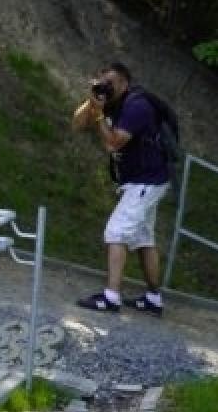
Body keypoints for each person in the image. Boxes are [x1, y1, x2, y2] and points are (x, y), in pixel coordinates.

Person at [71, 61, 170, 316]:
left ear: (124, 84)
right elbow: (77, 124)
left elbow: (113, 143)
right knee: (144, 240)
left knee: (116, 233)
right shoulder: (109, 102)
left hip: (146, 181)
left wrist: (100, 116)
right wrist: (92, 102)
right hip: (143, 181)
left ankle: (111, 297)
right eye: (103, 82)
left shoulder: (137, 106)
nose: (106, 87)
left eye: (111, 83)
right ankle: (153, 299)